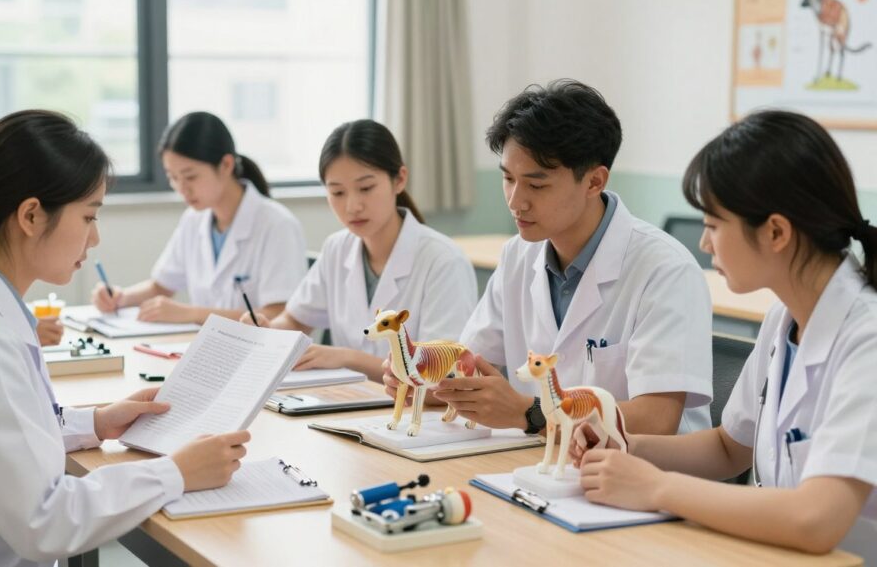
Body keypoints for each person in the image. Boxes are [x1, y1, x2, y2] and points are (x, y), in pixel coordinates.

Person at [0, 110, 249, 566]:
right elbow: (47, 522)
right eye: (89, 216)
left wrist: (96, 422)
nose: (95, 238)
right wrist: (176, 472)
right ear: (30, 215)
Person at [572, 110, 877, 560]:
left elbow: (817, 520)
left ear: (775, 232)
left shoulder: (866, 339)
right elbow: (728, 448)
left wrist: (657, 487)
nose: (704, 243)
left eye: (713, 225)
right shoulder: (785, 316)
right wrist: (626, 445)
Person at [409, 80, 712, 436]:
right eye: (508, 179)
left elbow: (657, 420)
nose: (515, 201)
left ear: (594, 182)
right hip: (543, 463)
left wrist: (531, 413)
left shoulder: (664, 270)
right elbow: (473, 363)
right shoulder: (518, 255)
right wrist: (428, 381)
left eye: (536, 186)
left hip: (641, 477)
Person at [244, 119, 477, 381]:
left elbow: (442, 373)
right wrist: (267, 329)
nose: (352, 206)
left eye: (366, 188)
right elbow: (296, 319)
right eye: (338, 192)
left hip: (417, 414)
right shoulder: (337, 248)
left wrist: (347, 358)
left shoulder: (443, 261)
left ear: (399, 180)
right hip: (351, 403)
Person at [92, 111, 306, 324]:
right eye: (173, 178)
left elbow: (279, 314)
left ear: (226, 165)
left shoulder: (277, 224)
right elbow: (161, 286)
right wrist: (119, 298)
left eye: (190, 176)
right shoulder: (194, 220)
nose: (181, 188)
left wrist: (191, 314)